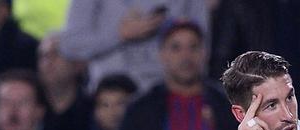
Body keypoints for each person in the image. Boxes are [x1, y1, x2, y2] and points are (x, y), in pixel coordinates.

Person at [59, 0, 211, 93]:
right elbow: (71, 46)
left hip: (169, 100)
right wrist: (119, 34)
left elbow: (202, 47)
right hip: (111, 101)